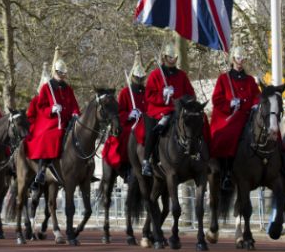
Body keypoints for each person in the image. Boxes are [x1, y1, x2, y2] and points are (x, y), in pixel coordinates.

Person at [25, 51, 81, 190]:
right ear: (55, 72)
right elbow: (41, 106)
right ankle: (42, 168)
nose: (62, 76)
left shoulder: (68, 89)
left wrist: (75, 113)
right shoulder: (46, 88)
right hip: (52, 120)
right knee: (51, 135)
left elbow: (74, 105)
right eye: (60, 73)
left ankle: (84, 166)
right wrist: (51, 109)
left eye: (64, 73)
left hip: (68, 120)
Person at [208, 46, 261, 190]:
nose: (241, 61)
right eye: (238, 58)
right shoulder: (224, 79)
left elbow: (257, 96)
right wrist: (230, 103)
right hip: (232, 115)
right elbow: (216, 99)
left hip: (249, 114)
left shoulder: (250, 80)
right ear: (233, 60)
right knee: (229, 133)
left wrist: (256, 105)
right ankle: (227, 172)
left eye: (243, 59)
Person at [141, 42, 196, 176]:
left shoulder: (182, 75)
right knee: (152, 132)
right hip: (158, 111)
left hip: (178, 110)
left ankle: (198, 154)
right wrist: (163, 94)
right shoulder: (155, 75)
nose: (172, 60)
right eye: (169, 57)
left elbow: (191, 94)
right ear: (164, 58)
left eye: (174, 58)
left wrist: (183, 100)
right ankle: (146, 161)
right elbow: (149, 95)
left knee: (196, 123)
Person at [102, 52, 148, 180]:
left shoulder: (147, 92)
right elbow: (119, 112)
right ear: (133, 77)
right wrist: (129, 114)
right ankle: (126, 165)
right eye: (137, 78)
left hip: (146, 122)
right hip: (130, 123)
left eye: (141, 78)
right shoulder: (125, 93)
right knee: (128, 134)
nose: (139, 81)